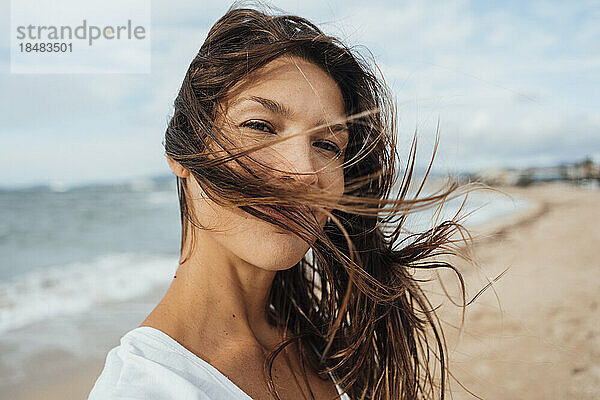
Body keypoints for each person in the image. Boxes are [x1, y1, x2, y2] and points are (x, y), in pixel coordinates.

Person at [88, 2, 482, 399]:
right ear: (183, 153)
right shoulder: (144, 387)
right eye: (260, 126)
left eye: (327, 144)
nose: (303, 172)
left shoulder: (334, 351)